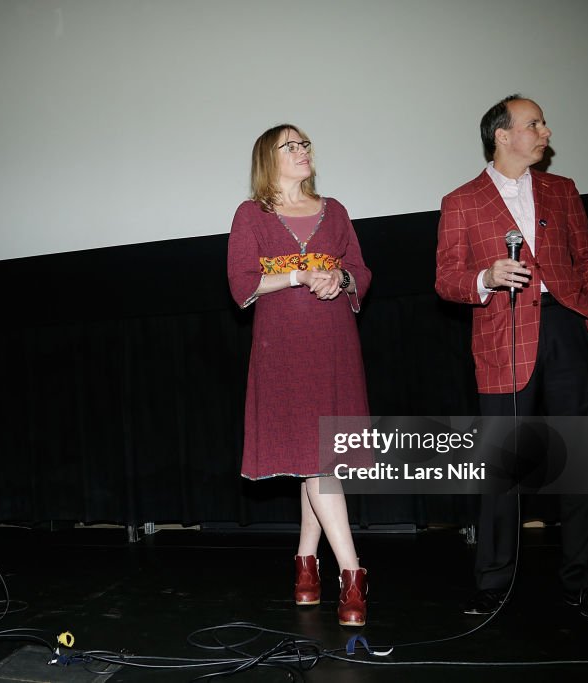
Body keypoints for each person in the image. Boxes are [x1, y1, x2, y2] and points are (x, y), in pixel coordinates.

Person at [434, 95, 588, 622]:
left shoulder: (562, 190)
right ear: (501, 135)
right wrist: (485, 278)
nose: (545, 130)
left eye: (541, 123)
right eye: (533, 123)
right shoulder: (462, 200)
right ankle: (492, 585)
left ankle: (582, 584)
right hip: (504, 335)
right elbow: (446, 279)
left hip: (566, 332)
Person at [227, 124, 372, 626]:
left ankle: (306, 566)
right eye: (291, 146)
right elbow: (241, 282)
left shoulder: (336, 210)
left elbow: (361, 269)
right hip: (283, 347)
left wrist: (342, 276)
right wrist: (300, 274)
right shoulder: (251, 215)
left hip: (333, 343)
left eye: (305, 143)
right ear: (269, 159)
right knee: (317, 460)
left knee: (318, 456)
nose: (302, 150)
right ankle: (353, 573)